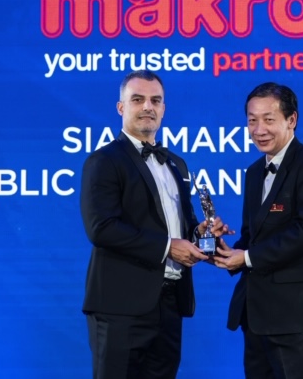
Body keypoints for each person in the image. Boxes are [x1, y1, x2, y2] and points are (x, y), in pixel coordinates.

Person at [79, 70, 230, 379]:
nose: (148, 106)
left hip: (170, 304)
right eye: (138, 99)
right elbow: (101, 228)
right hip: (120, 307)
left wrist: (199, 233)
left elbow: (180, 227)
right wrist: (168, 247)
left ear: (163, 108)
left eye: (155, 100)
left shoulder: (176, 164)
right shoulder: (104, 161)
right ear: (121, 107)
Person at [214, 82, 303, 379]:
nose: (259, 130)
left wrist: (247, 258)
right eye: (252, 120)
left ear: (291, 120)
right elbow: (251, 238)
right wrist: (221, 249)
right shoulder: (254, 172)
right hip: (254, 318)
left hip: (295, 319)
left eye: (268, 119)